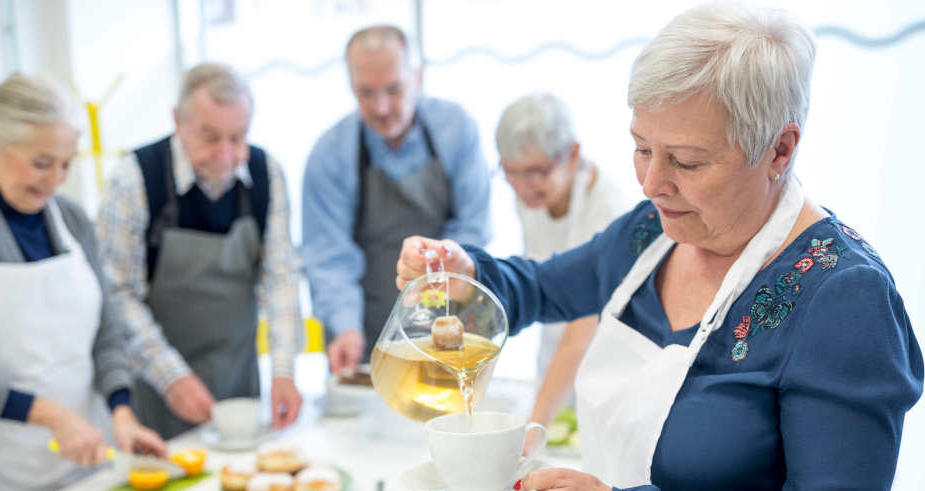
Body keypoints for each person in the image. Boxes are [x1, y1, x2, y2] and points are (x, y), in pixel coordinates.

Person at [395, 3, 923, 491]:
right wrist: (469, 273)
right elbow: (545, 287)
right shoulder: (655, 231)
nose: (651, 183)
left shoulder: (844, 299)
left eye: (687, 162)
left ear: (780, 150)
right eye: (642, 148)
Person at [0, 73, 166, 491]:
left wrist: (121, 409)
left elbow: (105, 333)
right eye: (41, 163)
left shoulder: (73, 220)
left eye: (65, 165)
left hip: (86, 471)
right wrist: (53, 415)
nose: (55, 181)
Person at [96, 63, 303, 439]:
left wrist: (285, 370)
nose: (226, 155)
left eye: (238, 138)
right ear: (178, 120)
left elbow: (281, 276)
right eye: (210, 138)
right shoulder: (134, 179)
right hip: (156, 392)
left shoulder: (266, 173)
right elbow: (117, 293)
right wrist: (171, 376)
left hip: (241, 385)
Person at [302, 25, 492, 375]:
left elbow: (472, 229)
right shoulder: (329, 155)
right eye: (366, 93)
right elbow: (328, 257)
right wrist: (345, 327)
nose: (382, 107)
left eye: (394, 89)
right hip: (368, 330)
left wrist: (441, 298)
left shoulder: (456, 129)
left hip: (452, 319)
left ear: (417, 77)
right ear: (350, 86)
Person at [495, 93, 635, 423]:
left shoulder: (608, 211)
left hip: (608, 372)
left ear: (572, 155)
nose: (523, 187)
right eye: (510, 173)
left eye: (535, 172)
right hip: (553, 364)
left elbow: (582, 328)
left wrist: (536, 422)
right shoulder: (528, 197)